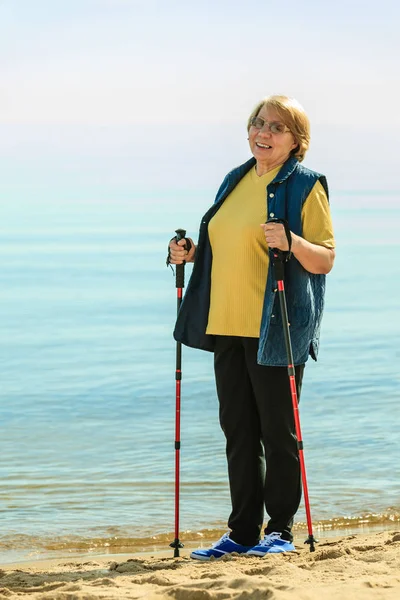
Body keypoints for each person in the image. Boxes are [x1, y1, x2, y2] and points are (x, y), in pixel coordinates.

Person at [168, 95, 335, 559]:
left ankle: (279, 531)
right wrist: (191, 252)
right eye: (258, 123)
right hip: (226, 324)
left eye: (277, 127)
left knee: (278, 432)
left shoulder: (305, 185)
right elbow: (228, 248)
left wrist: (292, 239)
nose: (264, 132)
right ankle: (242, 532)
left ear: (296, 140)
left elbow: (324, 258)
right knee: (238, 431)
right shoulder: (235, 178)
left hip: (276, 327)